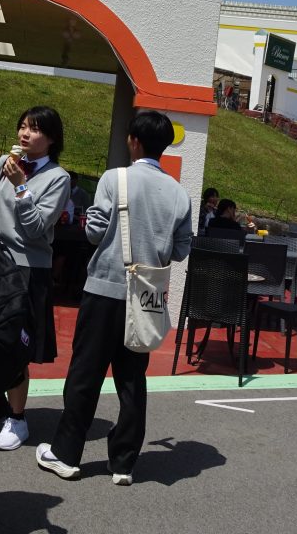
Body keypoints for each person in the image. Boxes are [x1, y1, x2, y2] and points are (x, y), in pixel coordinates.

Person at [36, 110, 191, 485]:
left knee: (85, 374)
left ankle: (66, 454)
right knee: (132, 378)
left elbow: (93, 233)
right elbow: (180, 249)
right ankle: (123, 461)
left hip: (105, 288)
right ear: (164, 145)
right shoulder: (178, 193)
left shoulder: (114, 179)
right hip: (145, 297)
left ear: (133, 141)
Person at [0, 106, 70, 451]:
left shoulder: (58, 178)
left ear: (51, 139)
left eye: (34, 129)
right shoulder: (4, 163)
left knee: (16, 346)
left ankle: (17, 417)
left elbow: (36, 228)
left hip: (27, 267)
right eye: (22, 126)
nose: (24, 134)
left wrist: (21, 186)